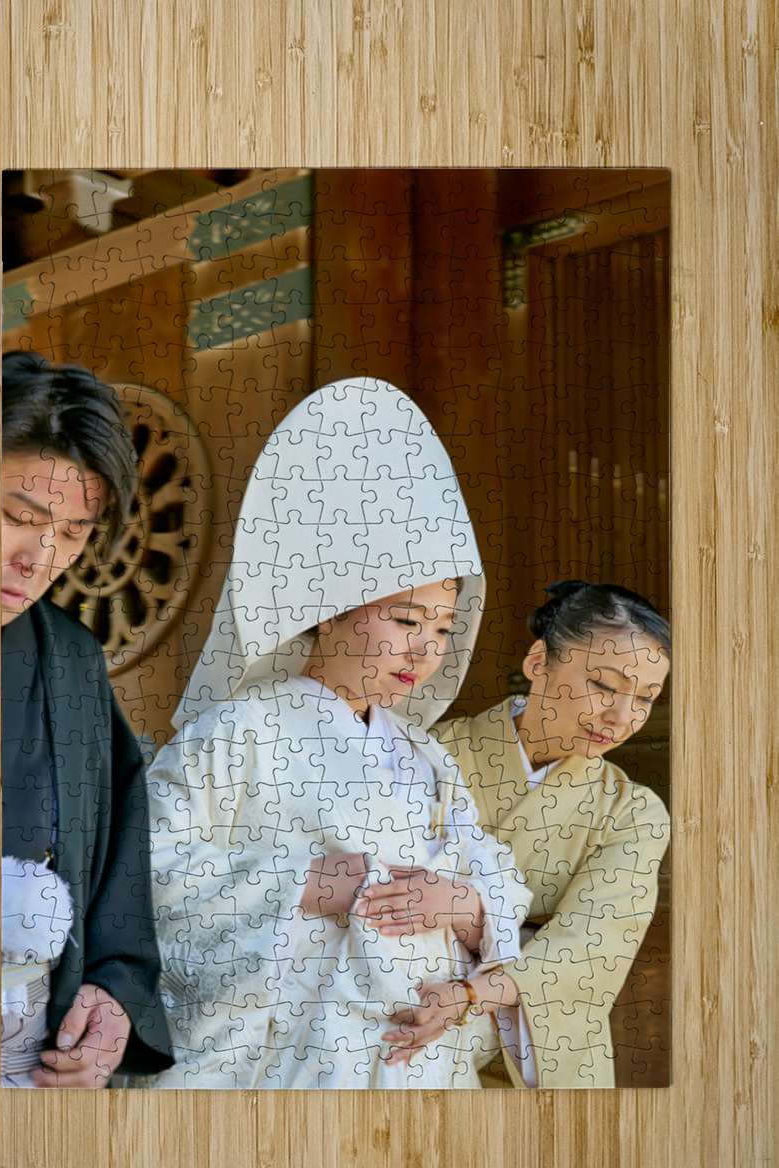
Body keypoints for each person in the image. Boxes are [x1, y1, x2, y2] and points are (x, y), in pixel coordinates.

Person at [141, 379, 531, 1089]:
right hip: (290, 1068)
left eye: (443, 630)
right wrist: (309, 882)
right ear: (326, 610)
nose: (426, 652)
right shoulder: (233, 733)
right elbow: (149, 876)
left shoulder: (427, 758)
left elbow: (495, 874)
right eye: (406, 622)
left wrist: (468, 909)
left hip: (418, 1064)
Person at [0, 350, 173, 1086]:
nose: (38, 558)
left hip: (25, 1052)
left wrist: (115, 994)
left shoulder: (70, 660)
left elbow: (121, 867)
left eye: (71, 535)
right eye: (18, 517)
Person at [434, 581, 671, 1088]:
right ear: (538, 662)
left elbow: (589, 947)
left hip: (538, 1036)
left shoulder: (634, 812)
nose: (623, 716)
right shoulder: (432, 752)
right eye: (605, 685)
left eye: (646, 699)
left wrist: (472, 988)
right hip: (411, 989)